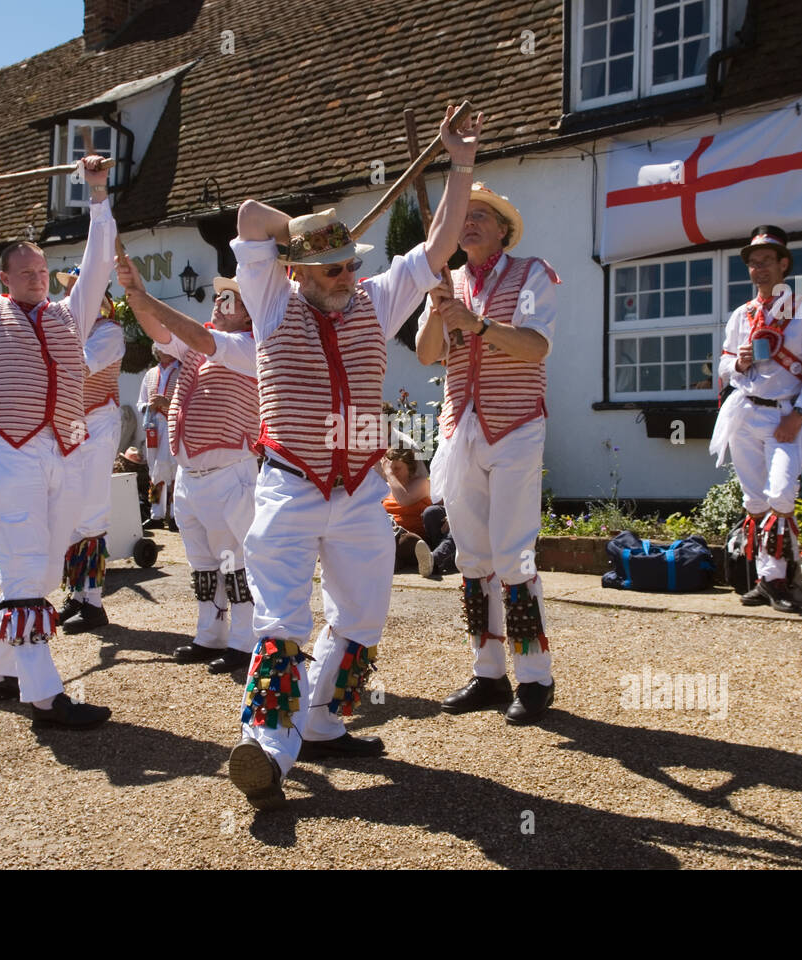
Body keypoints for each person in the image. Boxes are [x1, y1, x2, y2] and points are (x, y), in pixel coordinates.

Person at [224, 105, 482, 810]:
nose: (342, 275)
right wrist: (296, 235)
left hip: (362, 491)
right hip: (290, 485)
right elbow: (249, 215)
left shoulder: (378, 297)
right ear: (299, 271)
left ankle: (323, 721)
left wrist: (459, 162)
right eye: (329, 267)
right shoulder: (271, 298)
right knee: (281, 622)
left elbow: (439, 244)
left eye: (346, 265)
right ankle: (268, 750)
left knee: (362, 617)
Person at [0, 155, 117, 729]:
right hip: (6, 449)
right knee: (23, 570)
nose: (37, 279)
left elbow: (98, 259)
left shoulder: (72, 314)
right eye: (24, 272)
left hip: (63, 448)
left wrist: (97, 194)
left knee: (43, 573)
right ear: (3, 279)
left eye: (41, 271)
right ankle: (44, 695)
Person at [415, 182, 561, 725]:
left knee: (513, 554)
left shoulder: (533, 275)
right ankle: (488, 671)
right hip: (460, 428)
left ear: (504, 230)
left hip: (516, 425)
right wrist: (438, 310)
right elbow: (429, 354)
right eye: (465, 216)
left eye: (483, 216)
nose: (470, 222)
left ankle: (536, 678)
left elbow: (535, 346)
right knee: (473, 556)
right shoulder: (446, 281)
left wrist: (477, 324)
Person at [118, 264, 260, 676]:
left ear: (249, 311)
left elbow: (185, 333)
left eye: (229, 297)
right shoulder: (200, 343)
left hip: (230, 470)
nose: (219, 300)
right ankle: (209, 634)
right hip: (191, 472)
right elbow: (157, 331)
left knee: (237, 560)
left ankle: (244, 640)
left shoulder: (252, 344)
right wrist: (136, 292)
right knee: (201, 560)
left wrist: (148, 300)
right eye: (219, 295)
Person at [710, 225, 802, 613]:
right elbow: (724, 364)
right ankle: (768, 579)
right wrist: (738, 363)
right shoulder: (741, 315)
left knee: (781, 493)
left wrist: (800, 414)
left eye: (766, 261)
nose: (758, 268)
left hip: (785, 416)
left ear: (783, 264)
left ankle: (778, 575)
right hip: (746, 411)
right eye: (753, 262)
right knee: (755, 499)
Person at [56, 268, 125, 633]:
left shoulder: (108, 332)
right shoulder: (72, 332)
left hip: (97, 422)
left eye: (78, 292)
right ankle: (77, 594)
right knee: (70, 506)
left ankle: (94, 603)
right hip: (72, 424)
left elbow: (77, 369)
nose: (70, 300)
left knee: (93, 507)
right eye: (69, 292)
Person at [137, 342, 180, 531]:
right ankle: (156, 515)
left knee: (174, 470)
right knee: (154, 470)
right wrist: (149, 407)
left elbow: (189, 401)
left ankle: (175, 515)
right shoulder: (150, 374)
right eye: (161, 346)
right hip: (153, 427)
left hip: (174, 426)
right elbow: (141, 402)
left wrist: (168, 402)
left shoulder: (183, 371)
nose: (165, 350)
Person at [378, 446, 434, 577]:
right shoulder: (385, 488)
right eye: (390, 468)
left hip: (412, 539)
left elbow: (403, 500)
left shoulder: (422, 483)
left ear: (410, 468)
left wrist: (389, 474)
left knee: (407, 540)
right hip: (388, 538)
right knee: (386, 559)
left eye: (397, 468)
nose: (393, 472)